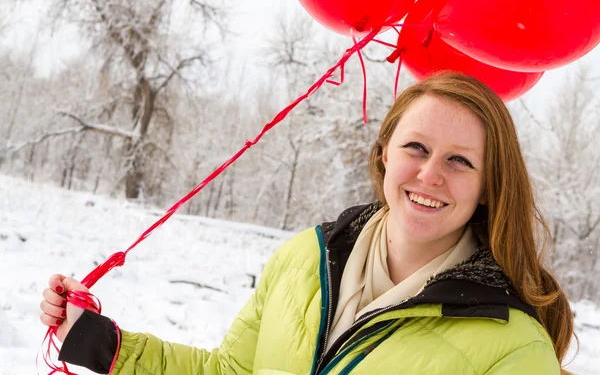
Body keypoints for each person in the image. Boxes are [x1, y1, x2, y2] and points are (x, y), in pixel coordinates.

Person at [40, 72, 575, 374]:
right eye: (416, 147)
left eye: (460, 161)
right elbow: (230, 373)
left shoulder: (513, 348)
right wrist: (103, 345)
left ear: (487, 187)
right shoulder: (304, 260)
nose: (430, 174)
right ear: (384, 153)